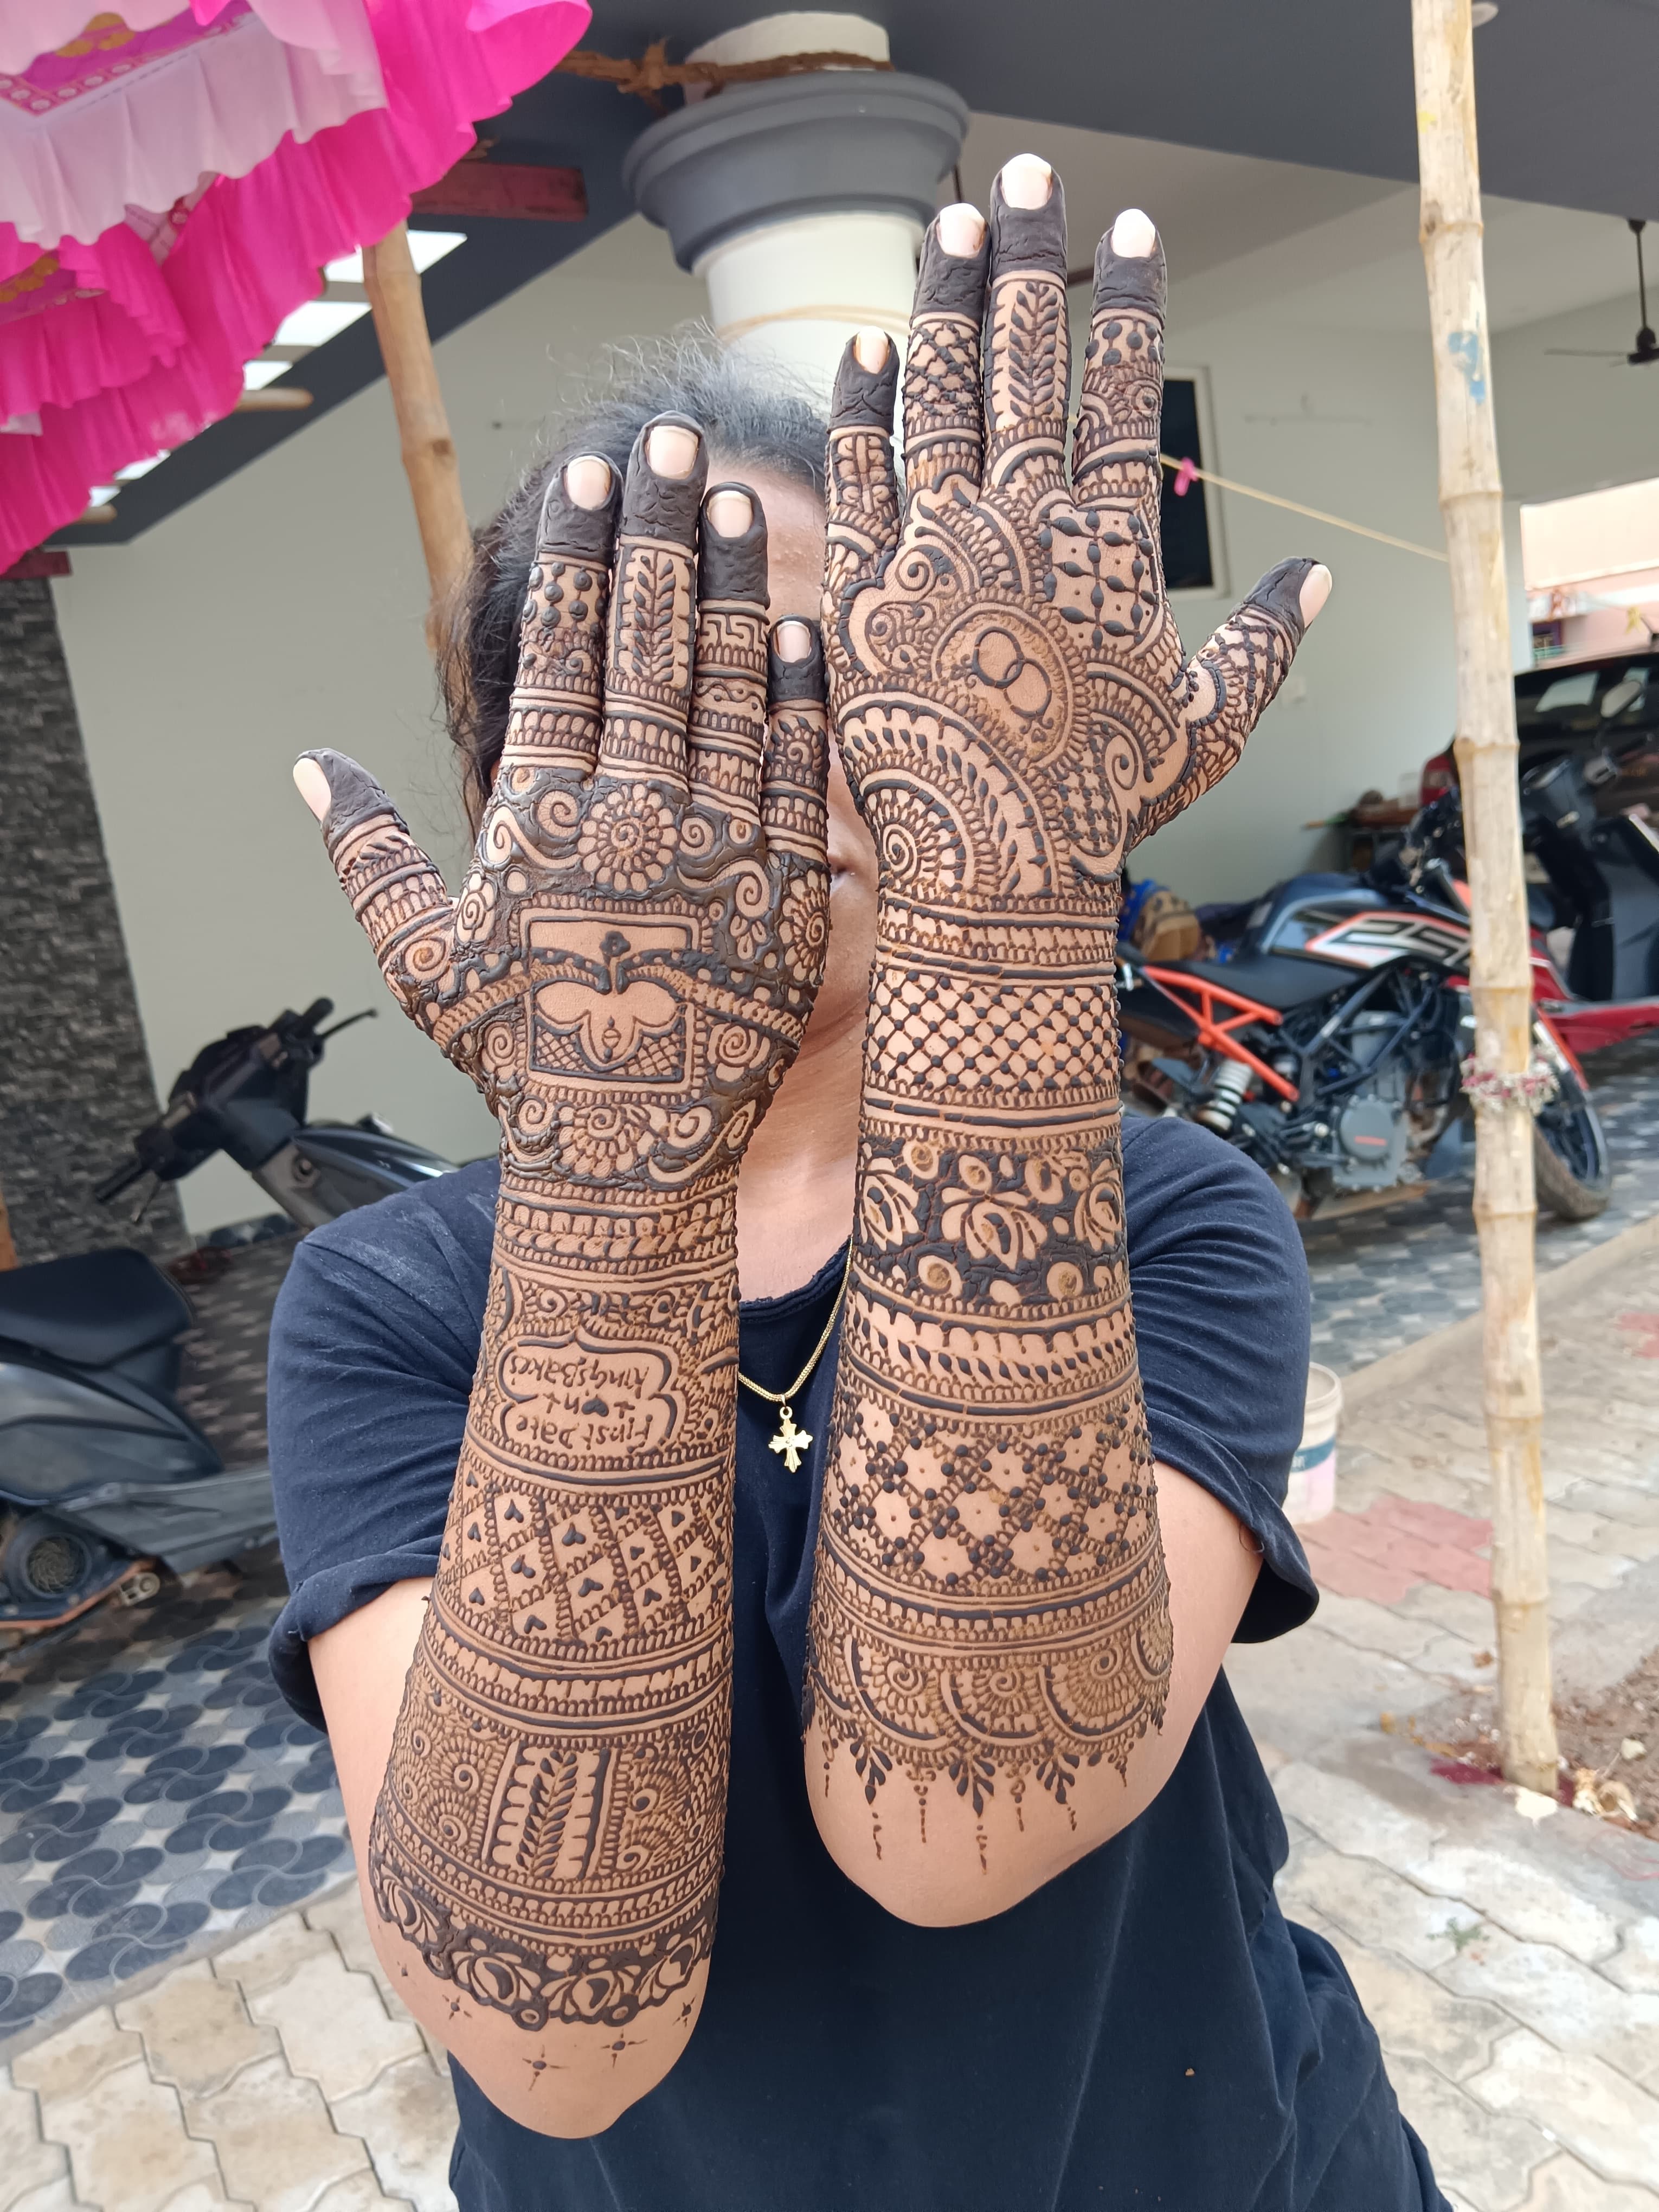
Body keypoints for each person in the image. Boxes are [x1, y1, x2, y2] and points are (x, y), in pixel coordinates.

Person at [268, 155, 1449, 2210]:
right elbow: (548, 2034)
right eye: (651, 704)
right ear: (502, 799)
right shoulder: (387, 1304)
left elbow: (955, 1830)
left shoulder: (1166, 1212)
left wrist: (1004, 901)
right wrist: (617, 1153)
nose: (748, 771)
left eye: (824, 689)